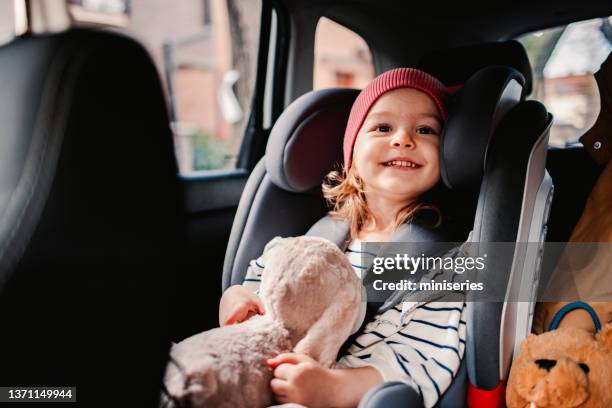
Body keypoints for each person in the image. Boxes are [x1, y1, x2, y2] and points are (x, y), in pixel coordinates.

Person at [218, 68, 466, 408]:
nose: (403, 139)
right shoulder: (318, 237)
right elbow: (266, 285)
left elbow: (422, 357)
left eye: (425, 129)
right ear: (352, 156)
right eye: (382, 128)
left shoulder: (450, 262)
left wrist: (331, 388)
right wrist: (236, 298)